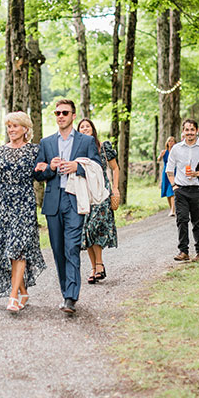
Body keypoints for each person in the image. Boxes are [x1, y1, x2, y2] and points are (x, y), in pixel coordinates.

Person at [33, 99, 100, 314]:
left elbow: (97, 167)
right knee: (58, 250)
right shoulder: (46, 142)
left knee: (71, 247)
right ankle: (65, 293)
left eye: (65, 112)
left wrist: (77, 166)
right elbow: (38, 173)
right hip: (53, 202)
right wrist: (50, 168)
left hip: (74, 200)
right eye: (57, 113)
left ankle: (71, 297)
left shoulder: (86, 141)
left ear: (73, 115)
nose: (60, 116)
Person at [0, 112, 46, 311]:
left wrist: (45, 168)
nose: (11, 130)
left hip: (24, 202)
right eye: (9, 126)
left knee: (19, 248)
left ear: (25, 129)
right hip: (3, 203)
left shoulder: (35, 150)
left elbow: (43, 175)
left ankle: (13, 297)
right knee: (6, 250)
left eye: (15, 126)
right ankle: (23, 291)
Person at [166, 118, 199, 262]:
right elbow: (169, 170)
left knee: (197, 221)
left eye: (192, 130)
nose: (189, 133)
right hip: (181, 190)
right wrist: (174, 186)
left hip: (198, 190)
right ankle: (183, 251)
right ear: (183, 132)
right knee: (181, 220)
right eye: (187, 130)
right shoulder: (176, 149)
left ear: (197, 131)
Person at [76, 118, 118, 284]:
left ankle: (99, 264)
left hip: (102, 192)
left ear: (93, 129)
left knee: (96, 227)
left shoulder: (103, 146)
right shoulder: (77, 149)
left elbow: (115, 168)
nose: (85, 129)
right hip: (85, 193)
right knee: (86, 231)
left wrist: (115, 188)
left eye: (87, 126)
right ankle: (94, 269)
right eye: (81, 127)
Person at [158, 136, 176, 216]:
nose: (171, 142)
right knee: (167, 192)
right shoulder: (164, 152)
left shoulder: (176, 151)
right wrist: (160, 155)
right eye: (169, 141)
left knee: (171, 191)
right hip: (165, 172)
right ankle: (171, 208)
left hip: (173, 172)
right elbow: (158, 159)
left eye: (172, 141)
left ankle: (173, 210)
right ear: (167, 143)